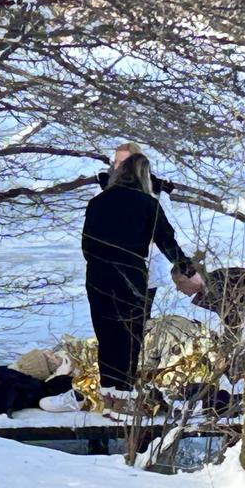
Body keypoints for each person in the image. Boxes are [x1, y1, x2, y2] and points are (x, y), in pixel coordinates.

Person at [72, 153, 202, 409]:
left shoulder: (97, 202)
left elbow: (87, 244)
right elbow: (167, 242)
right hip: (130, 274)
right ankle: (123, 399)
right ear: (145, 175)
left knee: (106, 335)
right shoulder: (147, 204)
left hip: (97, 274)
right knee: (129, 337)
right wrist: (188, 270)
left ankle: (107, 398)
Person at [96, 142, 176, 318]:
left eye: (125, 161)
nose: (120, 166)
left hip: (145, 265)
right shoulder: (106, 188)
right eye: (117, 161)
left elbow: (163, 228)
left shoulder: (155, 190)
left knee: (139, 319)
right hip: (112, 266)